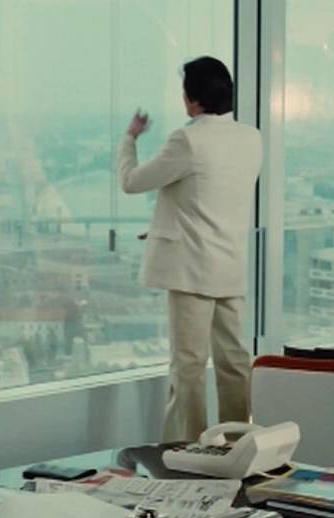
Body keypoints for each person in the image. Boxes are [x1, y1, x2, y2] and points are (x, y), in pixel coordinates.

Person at [118, 56, 262, 442]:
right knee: (234, 363)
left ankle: (190, 452)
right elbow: (213, 197)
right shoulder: (251, 138)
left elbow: (132, 182)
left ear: (193, 99)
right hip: (230, 267)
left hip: (192, 271)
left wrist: (130, 139)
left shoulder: (188, 140)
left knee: (189, 368)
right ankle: (239, 444)